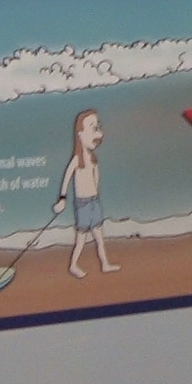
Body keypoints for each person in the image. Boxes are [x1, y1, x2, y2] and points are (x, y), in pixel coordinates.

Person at [54, 109, 119, 277]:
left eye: (98, 127)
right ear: (80, 134)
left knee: (99, 237)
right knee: (81, 238)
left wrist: (96, 192)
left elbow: (96, 177)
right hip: (82, 203)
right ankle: (73, 265)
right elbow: (67, 177)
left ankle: (105, 264)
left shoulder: (93, 158)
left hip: (94, 201)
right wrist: (62, 198)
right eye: (92, 128)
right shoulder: (77, 159)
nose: (97, 132)